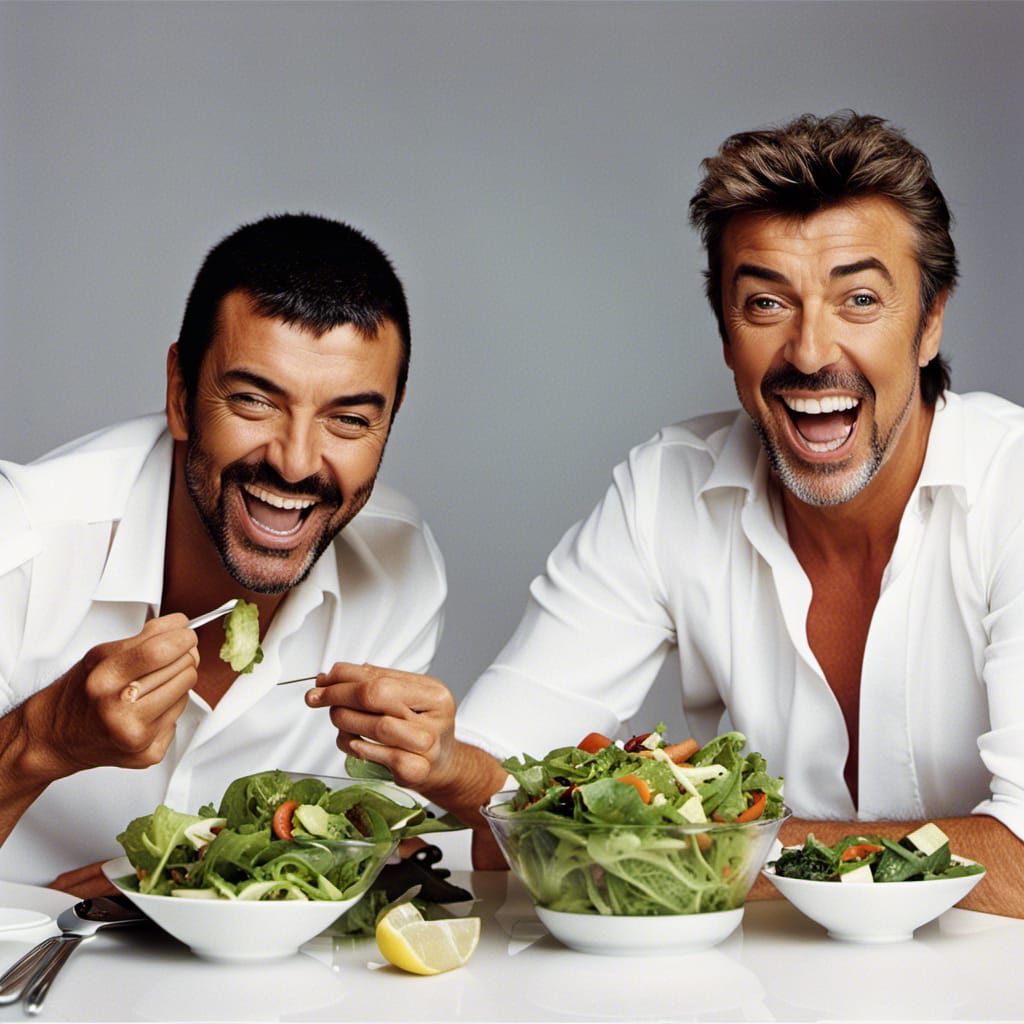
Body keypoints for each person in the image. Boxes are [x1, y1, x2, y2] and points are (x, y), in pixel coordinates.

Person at [309, 112, 1024, 915]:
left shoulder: (1013, 491)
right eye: (765, 304)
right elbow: (501, 805)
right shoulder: (667, 491)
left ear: (930, 322)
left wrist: (711, 842)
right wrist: (448, 767)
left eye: (859, 299)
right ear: (725, 335)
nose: (811, 350)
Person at [0, 213, 451, 894]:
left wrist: (186, 882)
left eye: (349, 420)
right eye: (254, 402)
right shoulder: (23, 540)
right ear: (181, 394)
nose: (297, 463)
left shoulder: (400, 564)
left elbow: (372, 848)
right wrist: (45, 739)